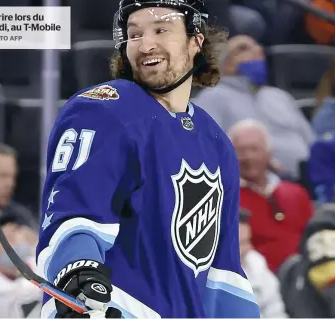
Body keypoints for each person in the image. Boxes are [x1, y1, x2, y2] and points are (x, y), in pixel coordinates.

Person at [36, 0, 260, 318]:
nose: (146, 44)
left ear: (195, 41)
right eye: (135, 33)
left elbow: (223, 274)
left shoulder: (216, 141)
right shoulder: (105, 108)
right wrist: (76, 273)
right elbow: (73, 213)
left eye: (161, 30)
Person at [192, 35, 315, 180]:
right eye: (243, 49)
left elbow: (311, 141)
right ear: (224, 64)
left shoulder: (279, 96)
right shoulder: (212, 98)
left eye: (258, 47)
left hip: (306, 181)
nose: (257, 51)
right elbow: (204, 150)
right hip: (252, 184)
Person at [229, 119, 313, 272]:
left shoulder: (296, 192)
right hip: (257, 283)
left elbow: (313, 238)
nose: (248, 157)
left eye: (254, 149)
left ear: (269, 153)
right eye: (240, 151)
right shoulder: (224, 197)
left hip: (305, 279)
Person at [238, 209, 288, 318]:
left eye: (248, 241)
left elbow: (275, 308)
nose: (248, 248)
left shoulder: (255, 264)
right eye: (241, 243)